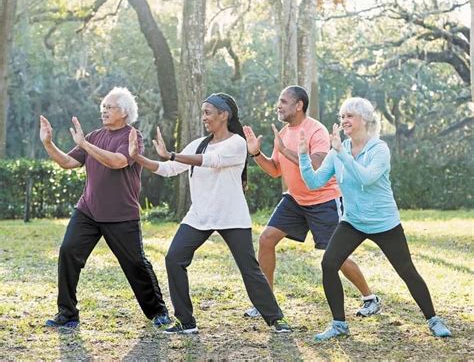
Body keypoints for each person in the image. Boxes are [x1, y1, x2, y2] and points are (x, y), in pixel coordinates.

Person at [128, 93, 292, 334]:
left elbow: (211, 161)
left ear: (223, 114)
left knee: (249, 268)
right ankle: (186, 321)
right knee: (174, 259)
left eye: (208, 112)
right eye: (203, 112)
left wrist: (172, 153)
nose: (203, 117)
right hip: (200, 216)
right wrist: (138, 158)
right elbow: (169, 169)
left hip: (231, 216)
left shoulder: (237, 143)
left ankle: (275, 318)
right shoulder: (198, 144)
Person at [298, 97, 452, 340]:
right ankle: (339, 324)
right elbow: (314, 182)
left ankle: (433, 319)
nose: (344, 120)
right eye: (342, 116)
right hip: (353, 222)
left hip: (384, 223)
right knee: (329, 264)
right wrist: (303, 156)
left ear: (365, 120)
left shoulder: (379, 149)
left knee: (407, 271)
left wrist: (340, 152)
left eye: (350, 115)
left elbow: (366, 178)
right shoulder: (339, 149)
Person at [242, 86, 380, 318]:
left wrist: (285, 151)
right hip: (295, 199)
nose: (279, 106)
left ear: (299, 105)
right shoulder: (284, 134)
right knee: (266, 239)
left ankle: (370, 298)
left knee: (337, 255)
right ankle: (266, 302)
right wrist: (256, 154)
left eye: (284, 101)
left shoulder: (315, 129)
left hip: (323, 199)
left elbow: (316, 165)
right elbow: (275, 170)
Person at [40, 87, 170, 329]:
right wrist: (48, 143)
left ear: (124, 112)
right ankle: (67, 314)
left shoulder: (132, 136)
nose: (104, 111)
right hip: (88, 210)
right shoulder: (94, 136)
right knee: (68, 252)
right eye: (103, 107)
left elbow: (118, 162)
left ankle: (158, 311)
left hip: (121, 214)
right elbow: (68, 162)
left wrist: (85, 145)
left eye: (109, 107)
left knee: (135, 264)